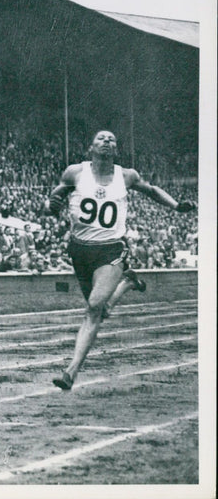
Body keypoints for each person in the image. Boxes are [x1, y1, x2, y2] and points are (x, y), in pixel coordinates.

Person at [44, 130, 196, 390]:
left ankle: (70, 372)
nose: (107, 141)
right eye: (102, 138)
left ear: (116, 149)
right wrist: (52, 205)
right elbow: (52, 201)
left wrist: (175, 206)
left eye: (112, 139)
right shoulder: (75, 173)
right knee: (100, 310)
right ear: (91, 146)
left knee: (93, 307)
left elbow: (151, 190)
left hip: (111, 249)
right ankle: (126, 283)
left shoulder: (126, 175)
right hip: (79, 250)